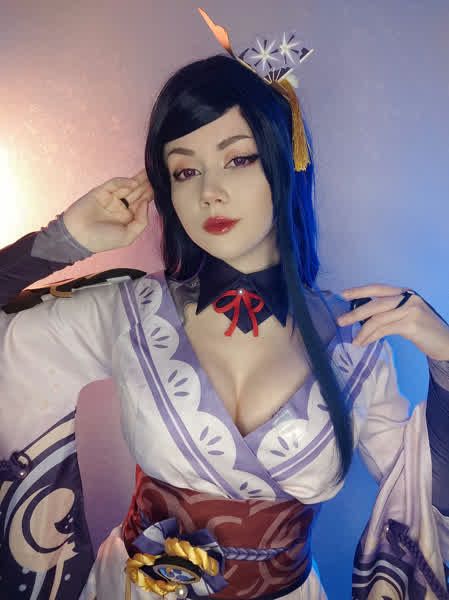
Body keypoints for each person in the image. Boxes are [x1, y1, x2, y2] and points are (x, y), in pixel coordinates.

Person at [0, 51, 448, 600]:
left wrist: (447, 360)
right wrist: (65, 240)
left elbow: (429, 501)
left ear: (284, 161)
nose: (209, 191)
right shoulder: (129, 310)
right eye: (186, 171)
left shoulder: (356, 338)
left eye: (238, 159)